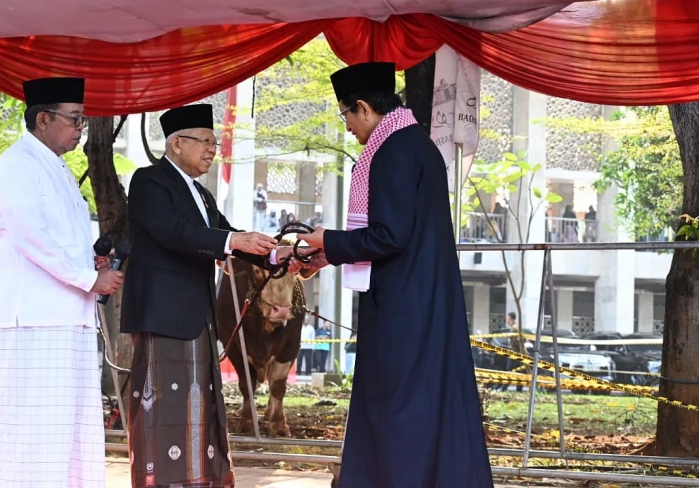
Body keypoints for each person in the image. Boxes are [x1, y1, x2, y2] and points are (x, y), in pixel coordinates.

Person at [294, 62, 493, 487]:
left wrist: (329, 240)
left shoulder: (390, 152)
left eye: (344, 113)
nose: (346, 125)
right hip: (425, 298)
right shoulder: (417, 145)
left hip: (404, 308)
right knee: (428, 404)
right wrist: (331, 254)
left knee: (398, 409)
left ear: (363, 108)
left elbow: (388, 236)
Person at [122, 103, 295, 488]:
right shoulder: (149, 181)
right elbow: (172, 231)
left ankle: (200, 480)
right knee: (165, 408)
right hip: (163, 316)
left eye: (215, 144)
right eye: (205, 142)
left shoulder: (200, 194)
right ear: (177, 143)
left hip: (197, 317)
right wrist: (234, 239)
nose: (212, 150)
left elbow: (228, 236)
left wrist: (276, 253)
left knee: (202, 408)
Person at [0, 76, 124, 487]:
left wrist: (91, 261)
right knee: (35, 433)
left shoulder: (57, 168)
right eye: (75, 119)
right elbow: (34, 241)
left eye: (83, 120)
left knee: (72, 432)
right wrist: (88, 277)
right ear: (43, 119)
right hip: (35, 319)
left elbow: (60, 239)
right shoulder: (16, 166)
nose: (81, 129)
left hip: (68, 317)